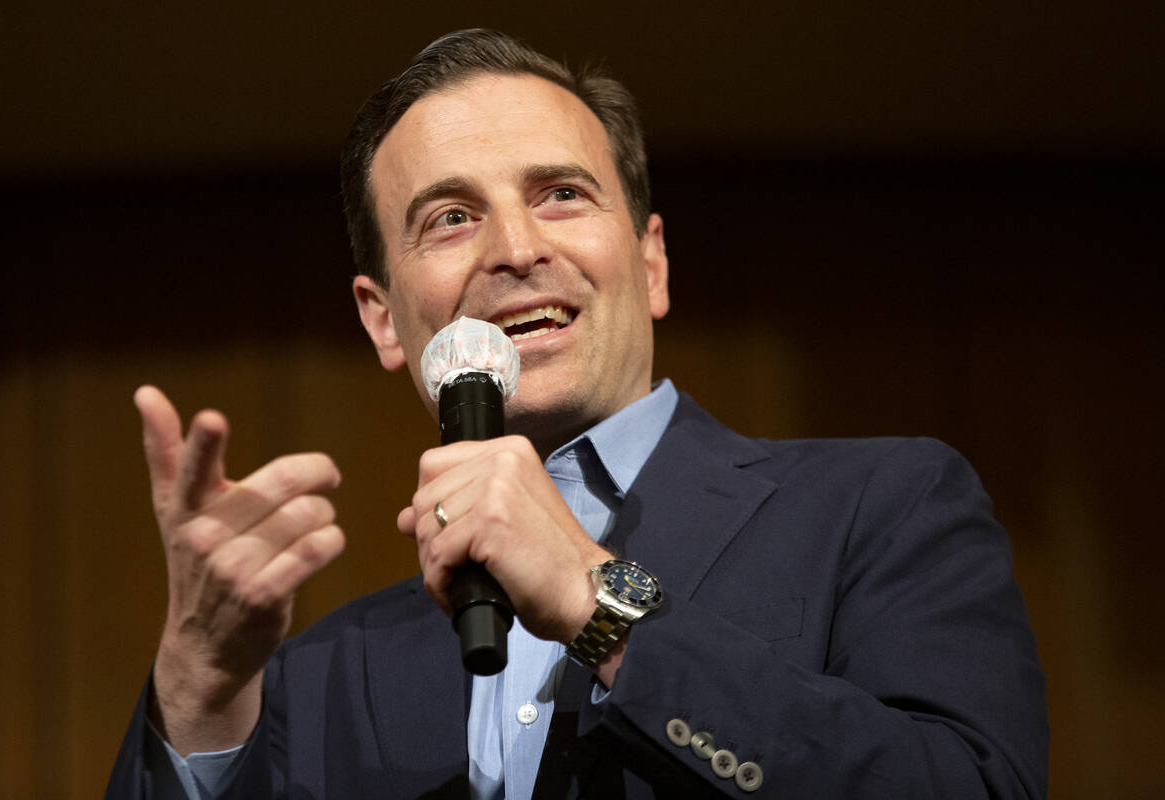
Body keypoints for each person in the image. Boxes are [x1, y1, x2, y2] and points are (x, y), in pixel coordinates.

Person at [106, 28, 1048, 799]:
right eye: (449, 217)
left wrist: (603, 604)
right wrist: (196, 680)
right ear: (384, 318)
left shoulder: (879, 505)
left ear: (651, 263)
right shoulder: (316, 674)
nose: (515, 248)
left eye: (561, 194)